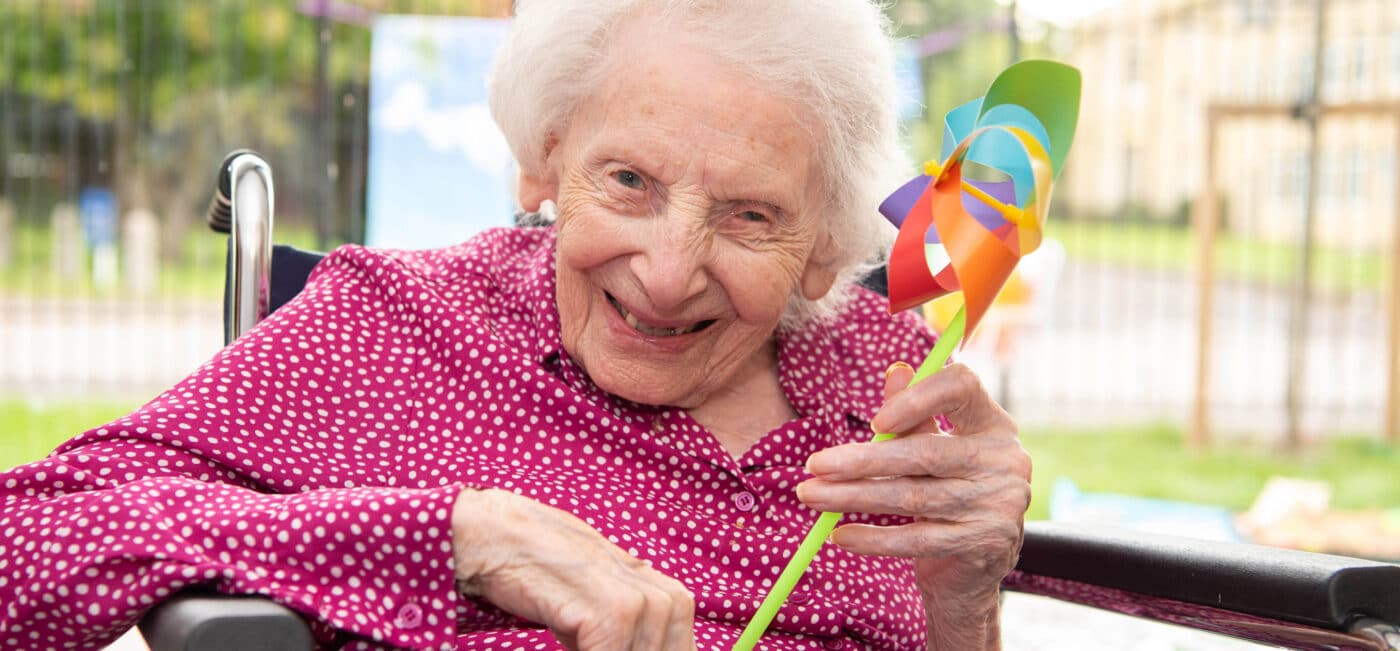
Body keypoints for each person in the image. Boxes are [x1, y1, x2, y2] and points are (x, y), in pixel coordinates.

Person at [0, 1, 1031, 649]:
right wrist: (451, 538)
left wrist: (963, 607)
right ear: (541, 159)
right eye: (626, 180)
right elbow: (27, 542)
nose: (668, 275)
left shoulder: (890, 383)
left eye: (749, 215)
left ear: (822, 241)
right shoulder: (396, 331)